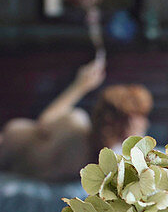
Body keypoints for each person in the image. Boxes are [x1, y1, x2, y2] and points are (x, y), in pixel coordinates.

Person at [0, 56, 153, 182]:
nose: (145, 124)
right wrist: (81, 85)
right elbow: (44, 123)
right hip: (9, 145)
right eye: (141, 117)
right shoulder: (76, 125)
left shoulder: (109, 159)